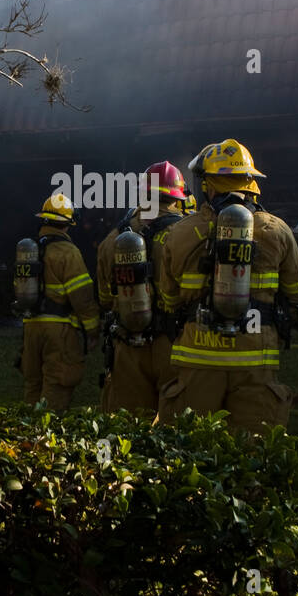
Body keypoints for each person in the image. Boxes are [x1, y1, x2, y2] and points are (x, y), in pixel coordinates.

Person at [155, 139, 298, 435]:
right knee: (254, 454)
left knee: (191, 451)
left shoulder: (180, 232)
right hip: (256, 360)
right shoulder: (278, 230)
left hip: (197, 357)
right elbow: (297, 292)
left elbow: (168, 298)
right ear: (251, 181)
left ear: (208, 185)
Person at [95, 161, 189, 414]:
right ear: (177, 196)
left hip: (128, 342)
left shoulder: (114, 238)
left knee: (129, 421)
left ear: (143, 192)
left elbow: (104, 297)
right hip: (173, 342)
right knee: (173, 423)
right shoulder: (186, 234)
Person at [19, 192, 100, 411]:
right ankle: (47, 438)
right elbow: (82, 297)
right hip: (59, 330)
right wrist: (92, 331)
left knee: (32, 385)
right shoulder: (69, 253)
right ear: (68, 224)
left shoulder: (31, 250)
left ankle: (26, 433)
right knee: (56, 386)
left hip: (31, 328)